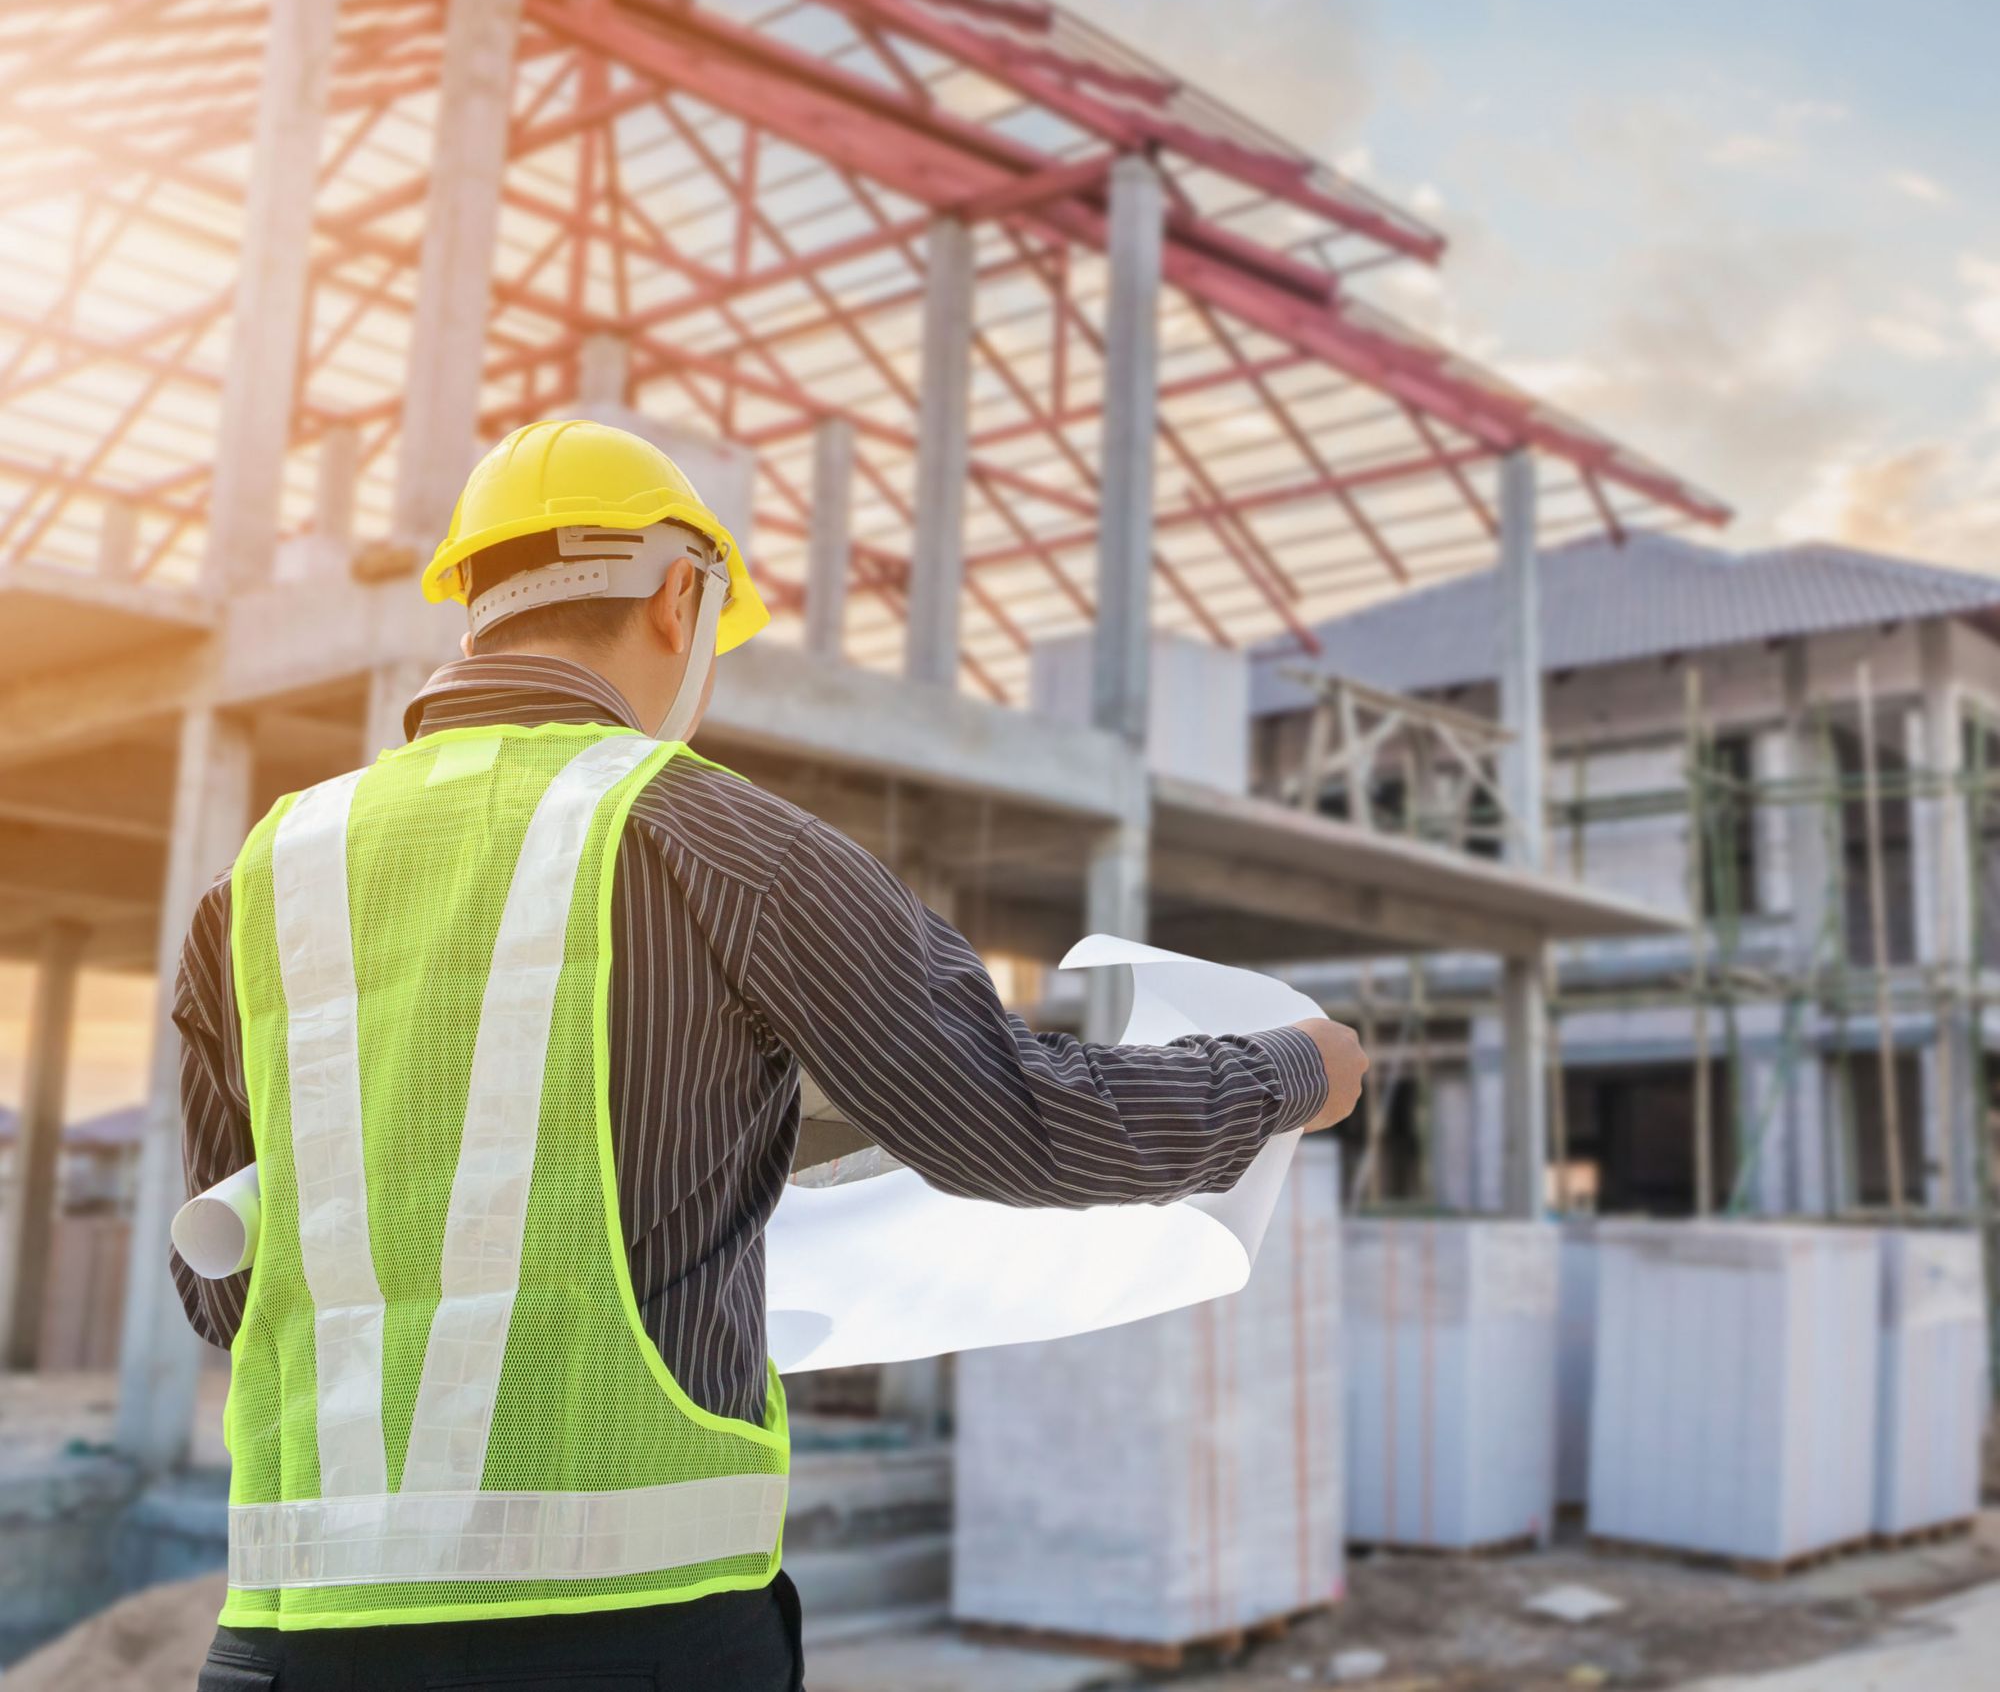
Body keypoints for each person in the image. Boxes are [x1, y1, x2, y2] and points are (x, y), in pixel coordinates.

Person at [177, 418, 1368, 1692]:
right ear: (678, 596)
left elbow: (226, 1295)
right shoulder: (728, 847)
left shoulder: (261, 878)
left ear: (470, 602)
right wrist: (1291, 1071)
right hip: (627, 1638)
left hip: (288, 1646)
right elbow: (1024, 1121)